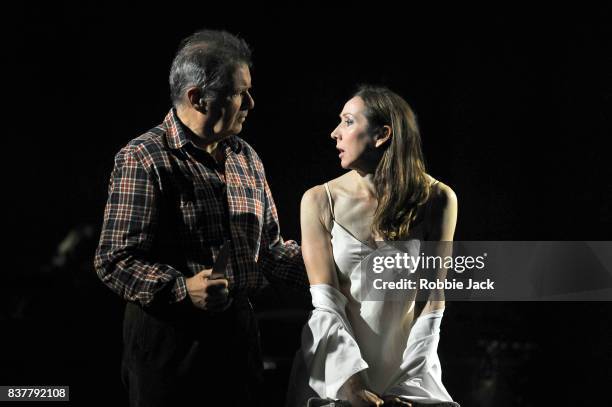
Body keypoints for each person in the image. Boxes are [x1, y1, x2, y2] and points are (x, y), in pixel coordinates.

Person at [94, 29, 307, 407]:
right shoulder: (144, 157)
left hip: (239, 342)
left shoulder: (246, 158)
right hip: (171, 345)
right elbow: (113, 260)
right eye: (240, 92)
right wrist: (182, 289)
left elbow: (271, 251)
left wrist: (341, 265)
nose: (251, 103)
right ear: (198, 98)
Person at [287, 86, 459, 407]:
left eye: (348, 122)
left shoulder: (438, 199)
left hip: (407, 372)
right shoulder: (319, 200)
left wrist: (406, 383)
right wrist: (351, 383)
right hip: (336, 371)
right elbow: (327, 304)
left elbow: (431, 301)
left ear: (382, 135)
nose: (335, 133)